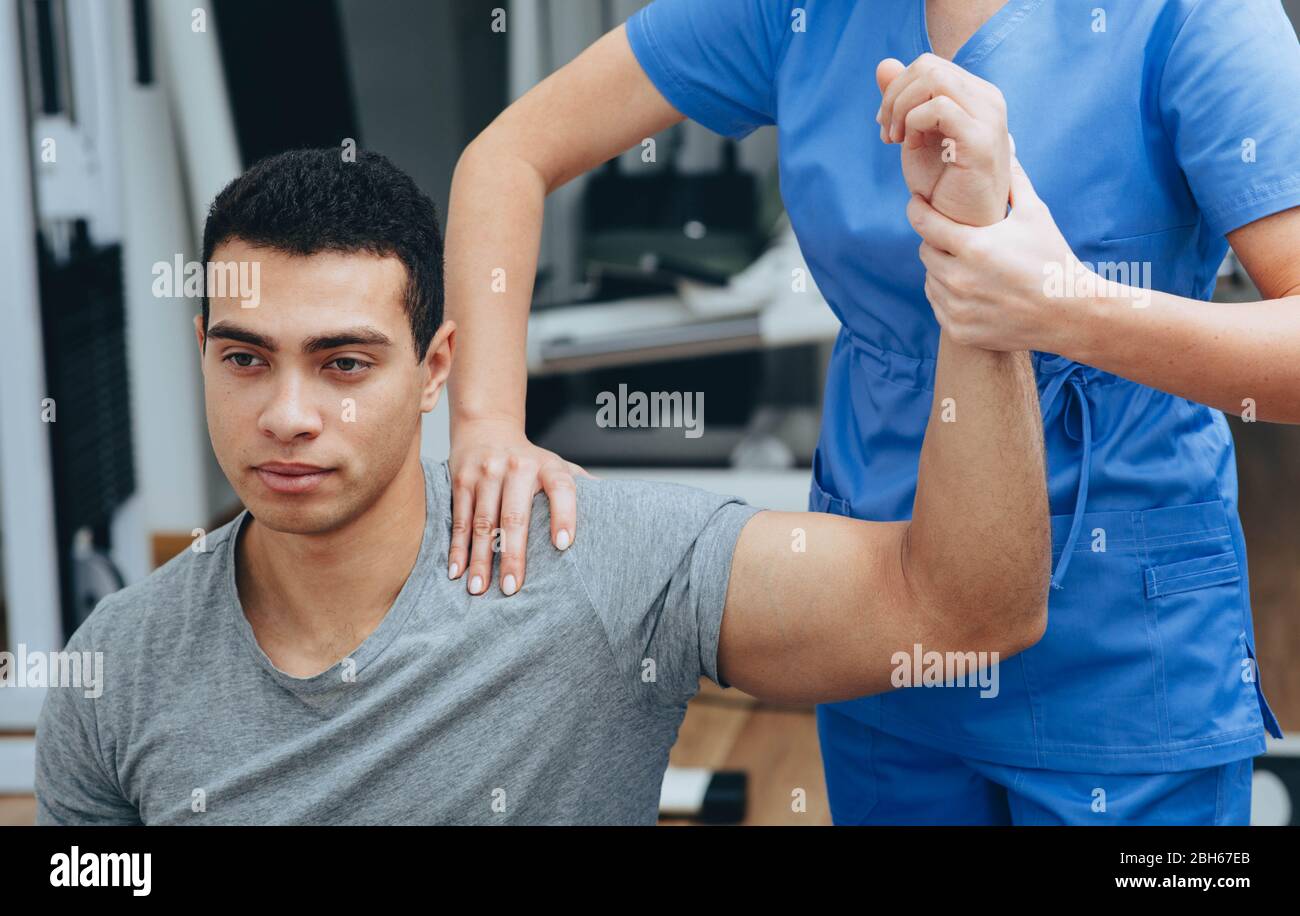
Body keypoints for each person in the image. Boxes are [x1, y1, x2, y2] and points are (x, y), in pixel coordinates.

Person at [443, 0, 1300, 824]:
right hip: (881, 606)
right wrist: (485, 425)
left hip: (1123, 647)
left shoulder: (1191, 15)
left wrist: (1066, 310)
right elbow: (508, 156)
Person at [33, 148, 1047, 825]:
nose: (289, 413)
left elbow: (964, 610)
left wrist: (981, 269)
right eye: (247, 359)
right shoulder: (118, 666)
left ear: (435, 371)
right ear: (200, 348)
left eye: (344, 363)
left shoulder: (592, 559)